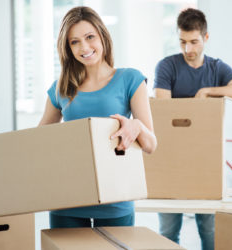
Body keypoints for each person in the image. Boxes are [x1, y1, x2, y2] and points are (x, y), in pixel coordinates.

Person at [38, 6, 157, 229]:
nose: (84, 47)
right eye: (74, 42)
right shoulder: (61, 88)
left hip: (115, 196)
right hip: (67, 197)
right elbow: (39, 141)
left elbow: (151, 145)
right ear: (67, 48)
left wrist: (137, 126)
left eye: (89, 37)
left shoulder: (130, 79)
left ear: (102, 35)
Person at [154, 8, 232, 250]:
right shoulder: (167, 66)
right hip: (171, 160)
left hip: (206, 160)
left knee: (209, 230)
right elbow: (163, 112)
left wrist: (209, 91)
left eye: (194, 42)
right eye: (182, 42)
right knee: (168, 231)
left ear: (206, 38)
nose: (188, 49)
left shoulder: (217, 69)